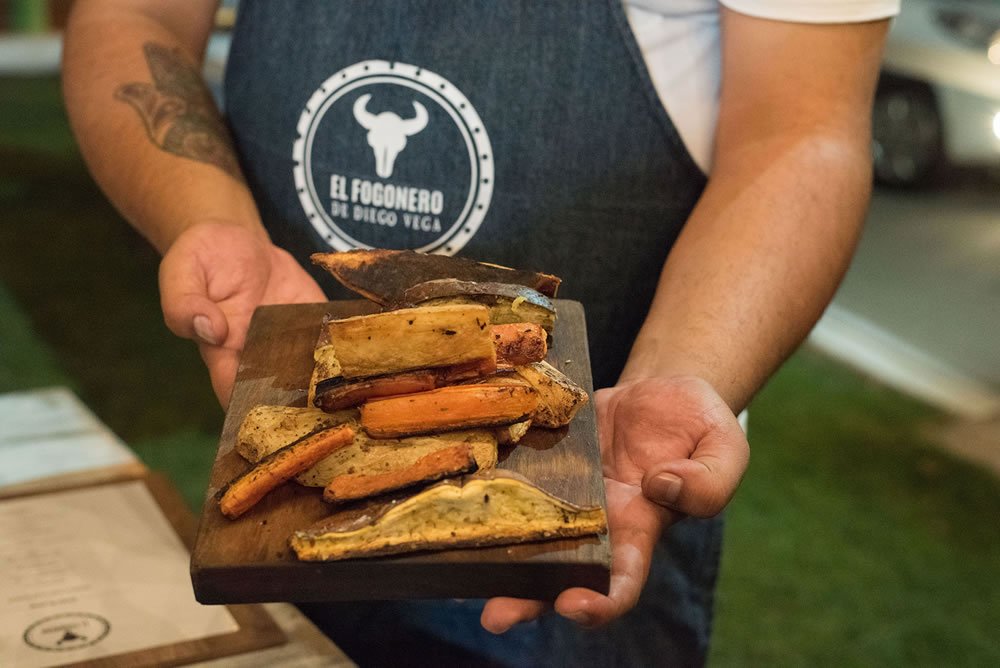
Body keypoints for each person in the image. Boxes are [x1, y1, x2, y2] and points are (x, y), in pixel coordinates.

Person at [63, 1, 898, 665]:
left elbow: (800, 132)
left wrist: (682, 370)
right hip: (296, 472)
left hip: (595, 476)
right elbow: (132, 15)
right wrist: (207, 220)